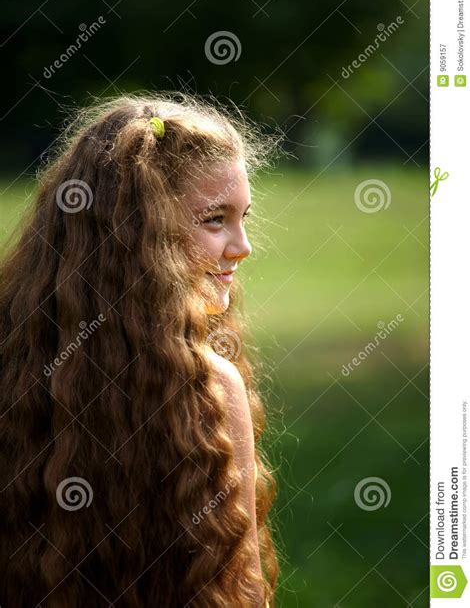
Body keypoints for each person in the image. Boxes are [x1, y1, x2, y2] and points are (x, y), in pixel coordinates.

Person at [0, 92, 280, 607]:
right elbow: (245, 592)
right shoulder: (212, 390)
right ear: (138, 233)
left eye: (243, 217)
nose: (242, 247)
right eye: (215, 219)